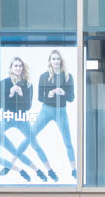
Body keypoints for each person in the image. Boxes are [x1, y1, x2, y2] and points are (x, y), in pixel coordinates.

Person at [31, 49, 76, 180]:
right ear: (50, 61)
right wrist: (49, 95)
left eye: (57, 59)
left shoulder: (68, 76)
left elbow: (71, 98)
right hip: (46, 110)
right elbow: (40, 97)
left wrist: (63, 93)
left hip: (61, 111)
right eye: (53, 59)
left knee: (68, 142)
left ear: (61, 61)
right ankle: (48, 169)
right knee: (30, 135)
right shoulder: (44, 76)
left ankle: (74, 170)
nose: (56, 61)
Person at [0, 56, 43, 182]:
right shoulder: (4, 83)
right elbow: (1, 105)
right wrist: (11, 93)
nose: (18, 68)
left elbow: (27, 106)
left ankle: (43, 170)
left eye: (20, 66)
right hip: (7, 117)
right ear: (11, 68)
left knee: (33, 141)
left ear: (23, 68)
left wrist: (21, 93)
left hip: (22, 117)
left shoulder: (27, 84)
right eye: (15, 66)